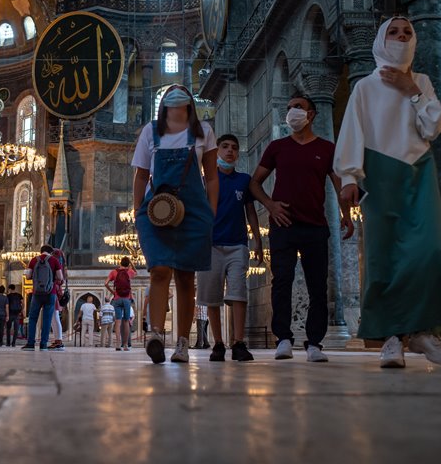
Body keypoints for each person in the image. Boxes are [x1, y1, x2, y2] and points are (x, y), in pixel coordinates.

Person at [335, 17, 441, 368]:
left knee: (429, 251)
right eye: (394, 31)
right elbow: (352, 131)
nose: (401, 37)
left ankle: (424, 333)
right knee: (383, 255)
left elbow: (433, 126)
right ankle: (392, 338)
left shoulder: (421, 81)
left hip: (419, 173)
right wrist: (348, 177)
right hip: (379, 175)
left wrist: (411, 89)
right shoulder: (364, 87)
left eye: (407, 33)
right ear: (380, 39)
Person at [249, 94, 354, 363]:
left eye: (298, 107)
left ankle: (315, 342)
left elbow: (338, 184)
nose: (292, 112)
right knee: (281, 282)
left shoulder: (327, 148)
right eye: (289, 108)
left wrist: (346, 215)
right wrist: (271, 206)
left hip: (315, 226)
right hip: (283, 225)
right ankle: (283, 338)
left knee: (317, 285)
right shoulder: (277, 147)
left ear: (311, 114)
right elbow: (255, 183)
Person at [133, 85, 219, 363]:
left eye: (182, 92)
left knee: (185, 276)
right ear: (164, 103)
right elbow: (141, 175)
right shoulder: (151, 131)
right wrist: (138, 213)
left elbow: (212, 177)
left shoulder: (203, 131)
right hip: (157, 210)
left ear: (190, 103)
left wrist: (211, 213)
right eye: (172, 92)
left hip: (193, 210)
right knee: (159, 269)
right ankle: (156, 334)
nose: (177, 95)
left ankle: (182, 342)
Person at [197, 133, 264, 362]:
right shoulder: (206, 181)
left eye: (234, 148)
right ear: (216, 151)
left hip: (237, 244)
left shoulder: (244, 180)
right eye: (224, 146)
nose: (229, 151)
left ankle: (239, 342)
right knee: (213, 297)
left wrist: (257, 238)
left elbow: (250, 212)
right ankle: (218, 344)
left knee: (238, 294)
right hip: (211, 245)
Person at [22, 245, 64, 351]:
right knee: (47, 319)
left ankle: (30, 343)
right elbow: (60, 277)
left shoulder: (33, 260)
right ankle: (43, 344)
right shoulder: (54, 260)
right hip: (51, 293)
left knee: (33, 318)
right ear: (51, 252)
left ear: (41, 251)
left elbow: (27, 276)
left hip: (37, 293)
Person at [105, 256, 136, 351]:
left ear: (120, 263)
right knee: (126, 322)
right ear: (128, 264)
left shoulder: (114, 272)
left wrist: (113, 292)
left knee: (118, 322)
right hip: (127, 299)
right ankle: (125, 345)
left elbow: (105, 283)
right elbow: (136, 272)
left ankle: (118, 344)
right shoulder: (129, 272)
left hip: (117, 299)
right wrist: (131, 263)